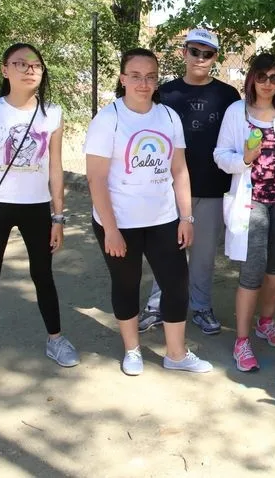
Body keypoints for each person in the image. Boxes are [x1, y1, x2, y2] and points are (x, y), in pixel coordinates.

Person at [0, 43, 77, 397]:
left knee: (43, 275)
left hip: (38, 207)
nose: (29, 69)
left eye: (35, 65)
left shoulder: (51, 113)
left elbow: (55, 168)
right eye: (20, 64)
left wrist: (58, 216)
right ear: (4, 70)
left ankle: (55, 339)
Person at [85, 48, 212, 376]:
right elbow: (96, 179)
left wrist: (186, 217)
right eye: (136, 76)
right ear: (123, 78)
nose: (144, 83)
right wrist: (111, 229)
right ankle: (132, 350)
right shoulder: (108, 119)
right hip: (120, 221)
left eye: (151, 76)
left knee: (176, 284)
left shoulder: (168, 117)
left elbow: (180, 171)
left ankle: (176, 353)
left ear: (157, 80)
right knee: (126, 284)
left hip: (163, 220)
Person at [137, 28, 241, 336]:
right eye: (194, 51)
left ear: (215, 58)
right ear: (184, 53)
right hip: (167, 189)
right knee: (166, 252)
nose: (200, 58)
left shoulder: (227, 96)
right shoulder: (165, 93)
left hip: (211, 189)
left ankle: (201, 306)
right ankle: (158, 305)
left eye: (207, 53)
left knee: (204, 255)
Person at [214, 53, 275, 372]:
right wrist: (242, 159)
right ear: (251, 78)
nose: (268, 84)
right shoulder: (236, 113)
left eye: (274, 77)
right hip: (251, 201)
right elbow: (220, 154)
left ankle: (265, 323)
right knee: (252, 271)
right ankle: (242, 341)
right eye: (262, 76)